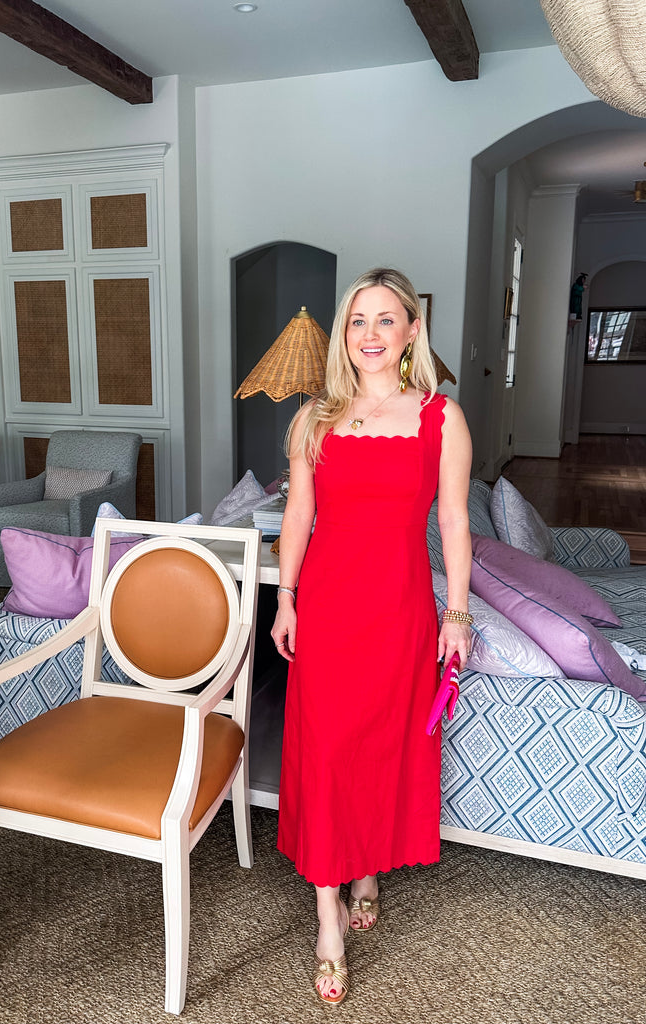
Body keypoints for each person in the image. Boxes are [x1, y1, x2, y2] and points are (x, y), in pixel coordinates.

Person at [271, 267, 473, 1005]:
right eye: (358, 321)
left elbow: (453, 521)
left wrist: (457, 614)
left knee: (380, 745)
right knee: (326, 752)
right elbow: (298, 518)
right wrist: (286, 598)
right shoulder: (315, 418)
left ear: (412, 332)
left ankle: (367, 866)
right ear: (344, 335)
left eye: (387, 320)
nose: (371, 335)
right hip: (326, 609)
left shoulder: (439, 419)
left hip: (398, 612)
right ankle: (328, 918)